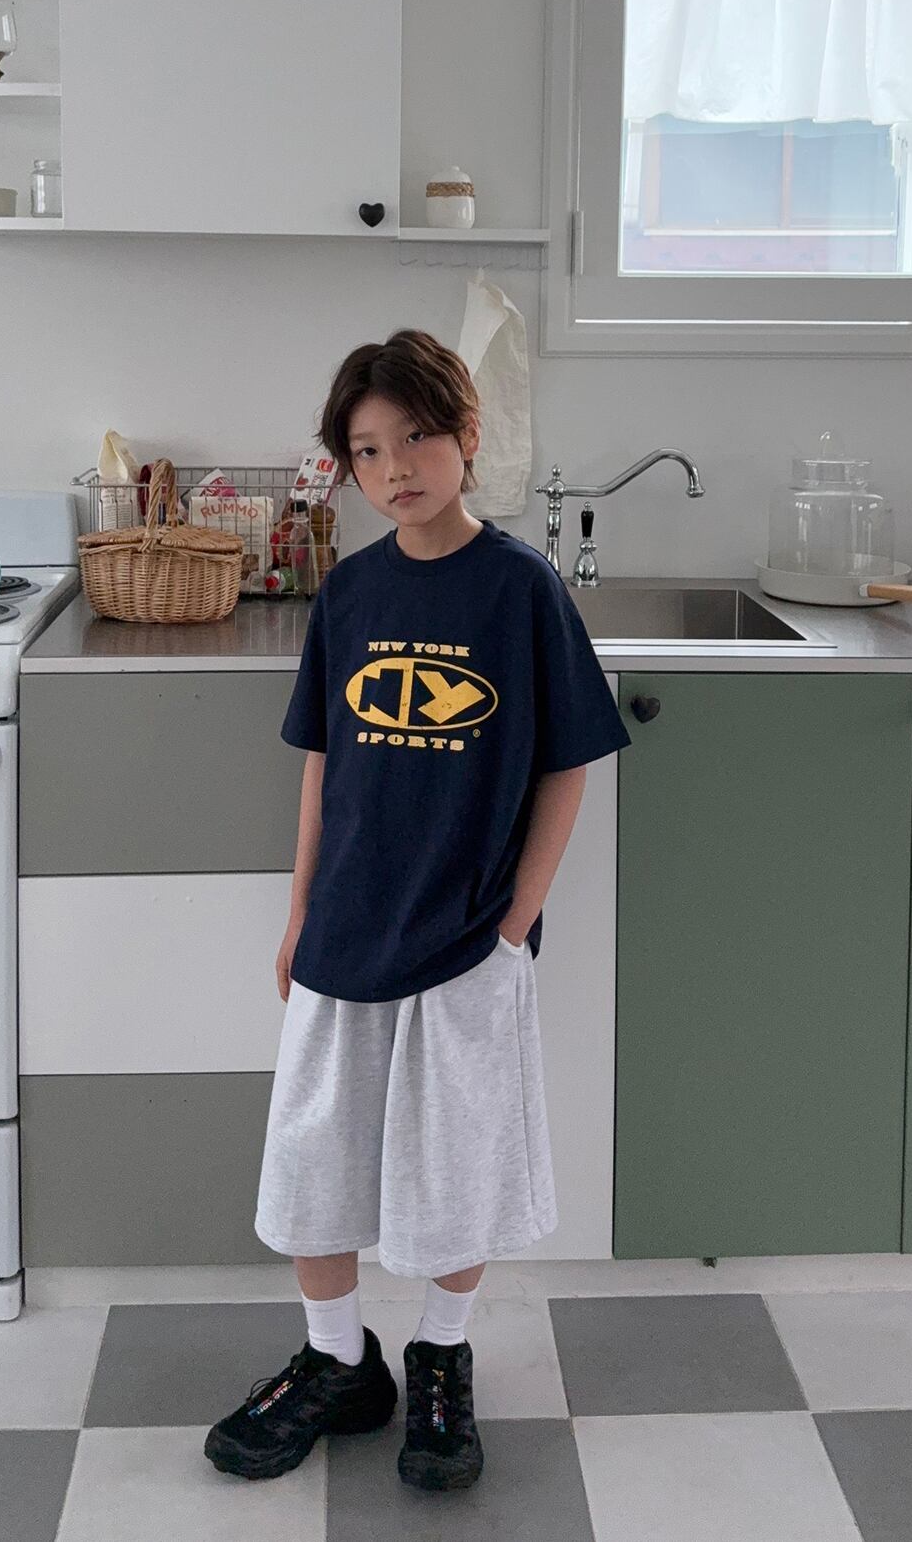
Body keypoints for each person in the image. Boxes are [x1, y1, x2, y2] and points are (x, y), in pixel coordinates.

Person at [203, 327, 630, 1492]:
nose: (396, 466)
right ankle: (338, 1360)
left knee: (456, 1164)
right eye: (368, 448)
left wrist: (513, 923)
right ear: (348, 465)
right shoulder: (350, 590)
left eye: (419, 436)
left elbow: (568, 763)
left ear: (467, 435)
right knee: (315, 1157)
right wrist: (300, 909)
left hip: (466, 936)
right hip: (348, 926)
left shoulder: (521, 589)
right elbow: (323, 761)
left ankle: (442, 1353)